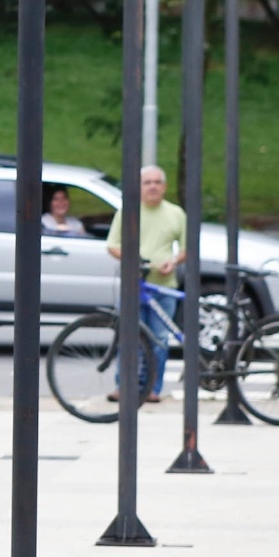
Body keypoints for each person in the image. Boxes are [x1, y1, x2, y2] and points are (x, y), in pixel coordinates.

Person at [105, 165, 187, 402]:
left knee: (159, 340)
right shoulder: (127, 211)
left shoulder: (176, 214)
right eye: (147, 182)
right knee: (128, 336)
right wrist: (137, 259)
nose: (152, 186)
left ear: (164, 186)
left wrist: (173, 261)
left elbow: (186, 248)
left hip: (165, 285)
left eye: (157, 182)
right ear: (139, 186)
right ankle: (124, 386)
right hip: (134, 284)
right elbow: (113, 245)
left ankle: (152, 388)